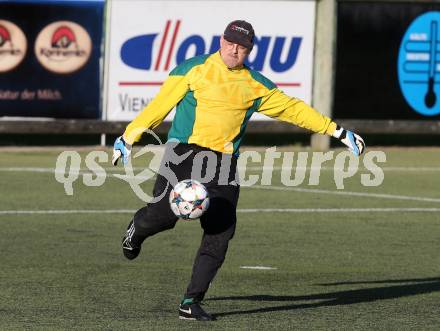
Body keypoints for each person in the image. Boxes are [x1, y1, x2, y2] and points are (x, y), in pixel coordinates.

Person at [112, 20, 365, 321]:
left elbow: (295, 110)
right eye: (231, 42)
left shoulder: (255, 84)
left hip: (224, 162)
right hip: (184, 153)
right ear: (221, 40)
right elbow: (159, 106)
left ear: (249, 50)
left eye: (242, 46)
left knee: (221, 230)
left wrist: (336, 131)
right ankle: (136, 231)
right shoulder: (193, 69)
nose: (235, 49)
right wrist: (128, 137)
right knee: (165, 216)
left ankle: (190, 301)